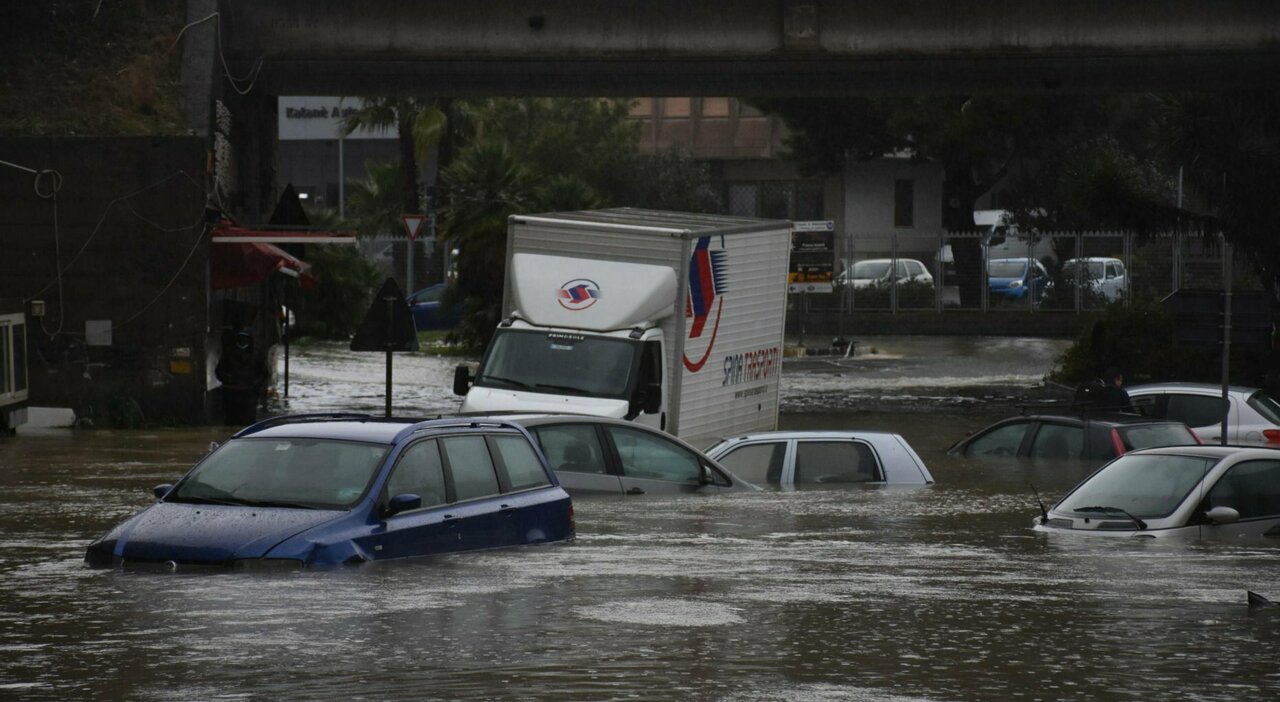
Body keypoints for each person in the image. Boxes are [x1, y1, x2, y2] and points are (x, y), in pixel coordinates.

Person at [215, 329, 268, 425]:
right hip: (232, 393)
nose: (243, 341)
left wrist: (256, 384)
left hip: (249, 394)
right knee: (232, 420)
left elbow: (264, 373)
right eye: (240, 338)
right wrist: (228, 379)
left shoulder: (256, 353)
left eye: (245, 338)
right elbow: (219, 371)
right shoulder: (228, 352)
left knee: (248, 420)